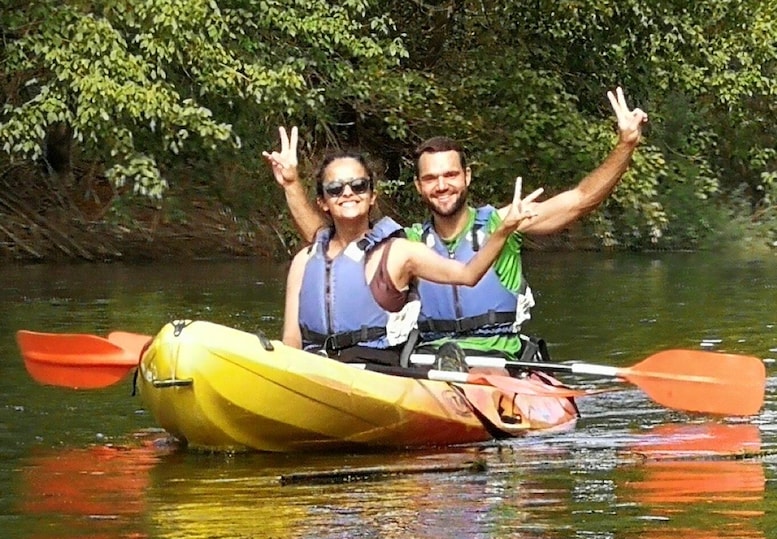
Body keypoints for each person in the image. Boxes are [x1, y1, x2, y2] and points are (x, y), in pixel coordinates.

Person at [265, 87, 648, 364]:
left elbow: (581, 200)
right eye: (431, 178)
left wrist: (625, 145)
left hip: (502, 358)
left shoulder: (504, 222)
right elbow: (328, 243)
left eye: (450, 175)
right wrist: (291, 184)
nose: (442, 185)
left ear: (467, 177)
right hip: (432, 362)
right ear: (418, 185)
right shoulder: (407, 242)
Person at [280, 150, 543, 367]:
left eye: (359, 185)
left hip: (375, 368)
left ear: (372, 196)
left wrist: (503, 231)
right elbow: (291, 339)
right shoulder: (306, 260)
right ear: (323, 202)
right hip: (316, 366)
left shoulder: (401, 250)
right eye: (335, 189)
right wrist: (291, 185)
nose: (348, 193)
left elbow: (468, 274)